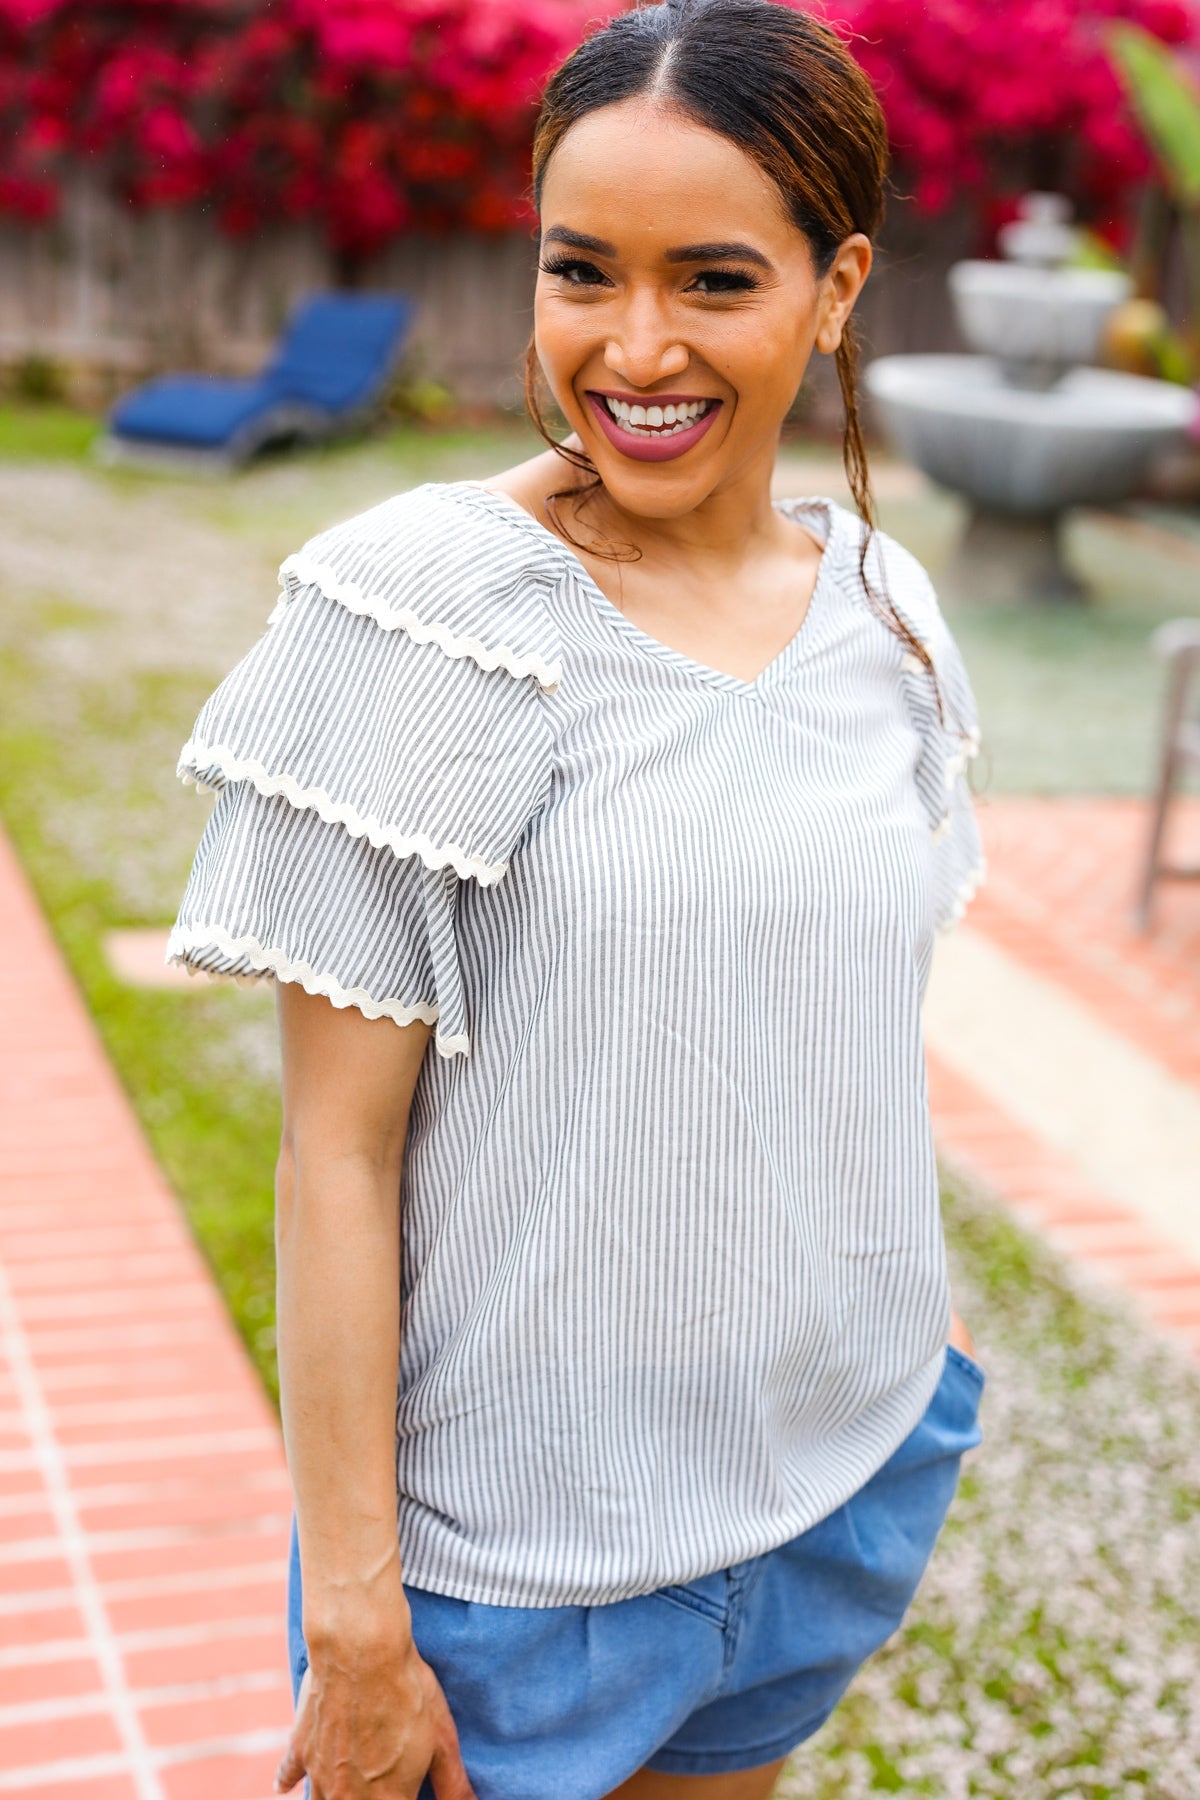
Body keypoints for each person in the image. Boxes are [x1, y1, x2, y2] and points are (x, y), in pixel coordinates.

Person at [167, 2, 988, 1795]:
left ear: (836, 288)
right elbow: (336, 1156)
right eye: (581, 273)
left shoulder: (886, 611)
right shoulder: (427, 617)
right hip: (509, 1589)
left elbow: (848, 1016)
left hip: (824, 1498)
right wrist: (360, 1626)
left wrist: (910, 1343)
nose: (634, 350)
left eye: (712, 280)